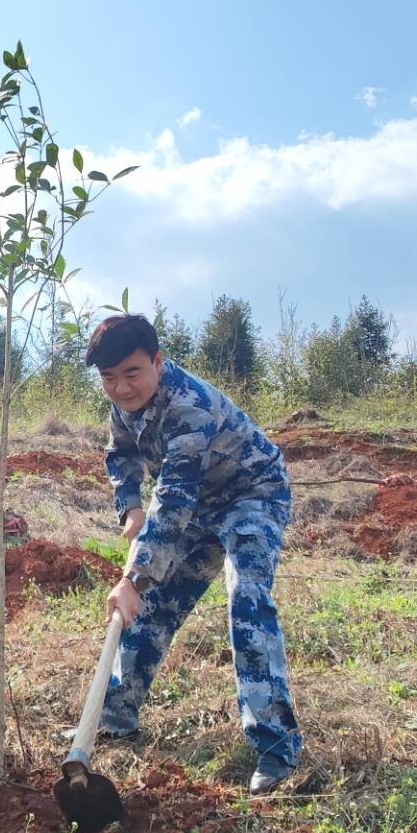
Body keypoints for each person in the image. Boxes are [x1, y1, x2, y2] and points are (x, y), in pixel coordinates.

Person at [85, 313, 301, 794]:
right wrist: (131, 507)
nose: (121, 388)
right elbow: (120, 454)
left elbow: (176, 499)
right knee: (154, 606)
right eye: (109, 378)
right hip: (197, 504)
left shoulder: (189, 406)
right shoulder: (124, 403)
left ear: (157, 362)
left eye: (132, 374)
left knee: (247, 600)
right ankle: (115, 717)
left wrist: (133, 576)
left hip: (251, 494)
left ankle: (276, 747)